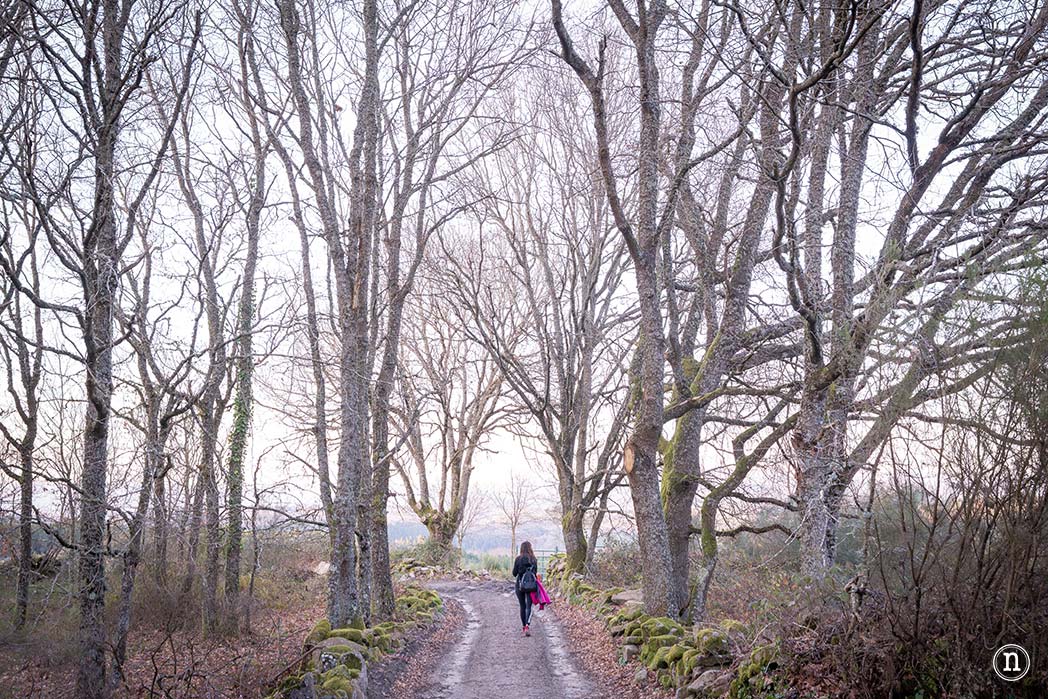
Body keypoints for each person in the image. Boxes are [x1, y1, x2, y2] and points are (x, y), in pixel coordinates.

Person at [512, 541, 539, 637]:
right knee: (528, 606)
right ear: (530, 548)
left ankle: (524, 627)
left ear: (521, 549)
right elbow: (535, 573)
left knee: (522, 606)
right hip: (531, 586)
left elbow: (514, 573)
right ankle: (528, 625)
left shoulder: (518, 559)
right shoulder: (534, 559)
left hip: (520, 585)